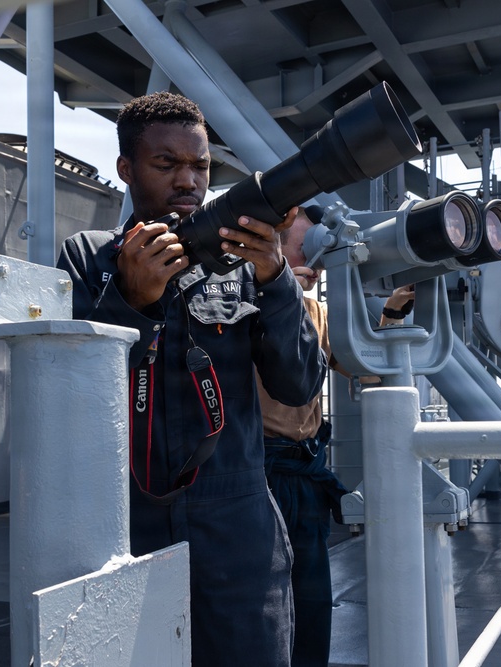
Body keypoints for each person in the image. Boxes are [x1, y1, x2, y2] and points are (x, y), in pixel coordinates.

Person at [56, 91, 327, 666]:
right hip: (126, 517)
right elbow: (69, 396)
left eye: (200, 166)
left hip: (237, 516)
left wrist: (276, 278)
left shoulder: (244, 266)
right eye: (166, 165)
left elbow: (299, 386)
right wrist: (131, 300)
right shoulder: (88, 256)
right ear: (126, 170)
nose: (188, 181)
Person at [258, 205, 414, 667]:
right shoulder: (241, 303)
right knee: (262, 602)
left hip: (304, 472)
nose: (312, 257)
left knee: (310, 601)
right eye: (300, 245)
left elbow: (360, 367)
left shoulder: (317, 312)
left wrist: (392, 313)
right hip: (258, 471)